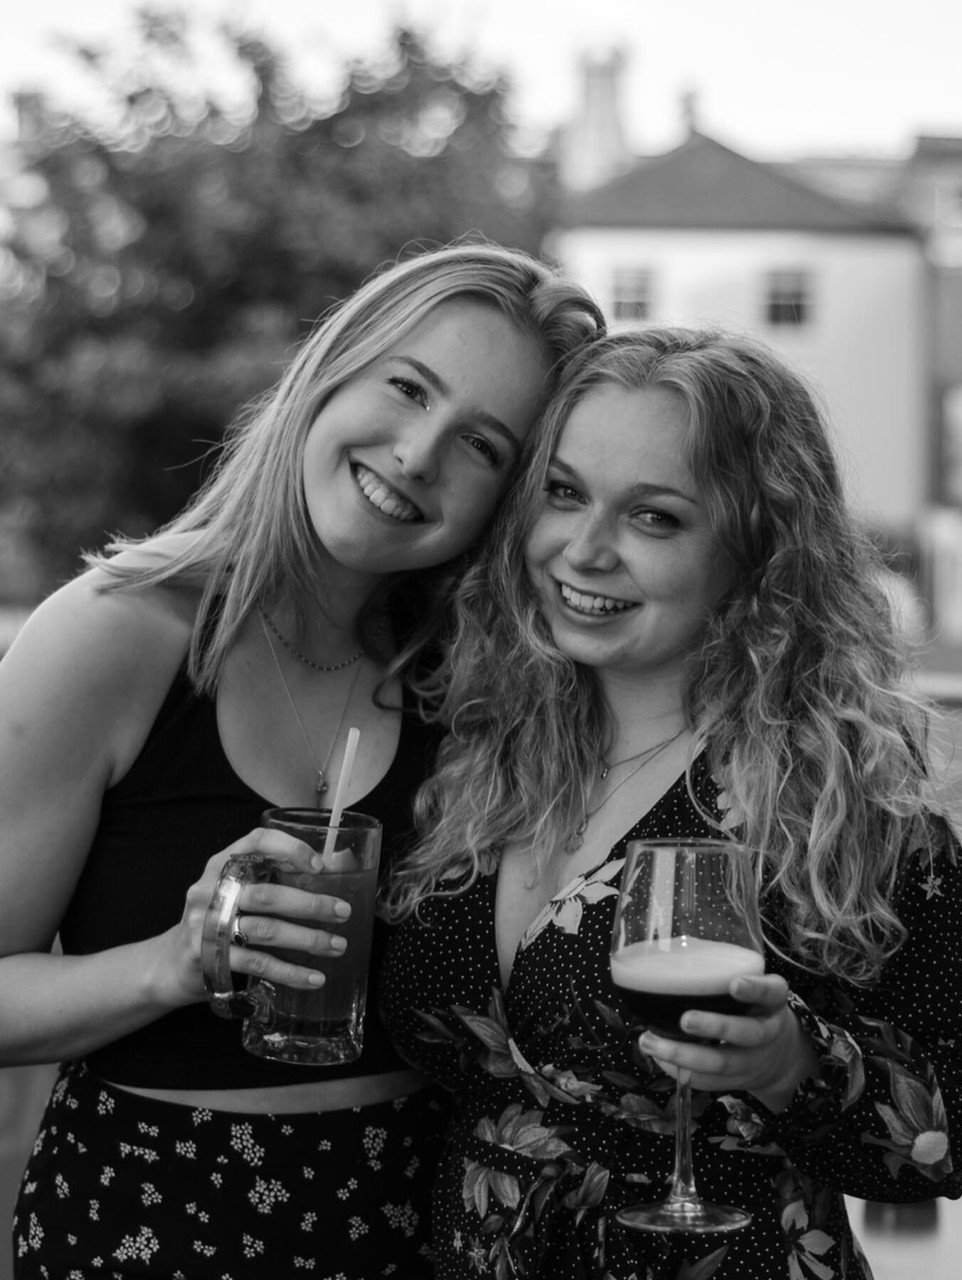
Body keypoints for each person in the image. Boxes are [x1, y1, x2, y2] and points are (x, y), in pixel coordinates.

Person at [0, 241, 603, 1279]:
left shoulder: (475, 684)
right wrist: (171, 963)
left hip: (416, 1231)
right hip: (152, 1219)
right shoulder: (114, 634)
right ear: (331, 371)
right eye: (406, 387)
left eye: (481, 445)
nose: (417, 454)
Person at [381, 326, 962, 1279]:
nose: (584, 550)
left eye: (654, 518)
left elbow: (949, 1139)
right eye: (564, 493)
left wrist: (794, 1064)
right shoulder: (474, 741)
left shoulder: (840, 800)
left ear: (757, 549)